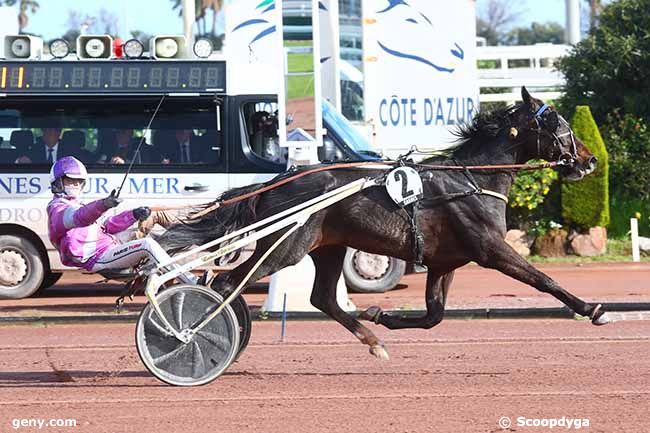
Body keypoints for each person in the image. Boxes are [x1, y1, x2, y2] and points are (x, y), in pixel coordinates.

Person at [46, 156, 195, 283]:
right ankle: (192, 281)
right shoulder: (58, 210)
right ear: (58, 182)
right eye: (70, 181)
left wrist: (134, 215)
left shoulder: (77, 204)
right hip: (99, 257)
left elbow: (108, 225)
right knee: (147, 244)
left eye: (79, 182)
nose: (76, 185)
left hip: (113, 243)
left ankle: (195, 236)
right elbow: (80, 217)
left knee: (153, 213)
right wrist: (103, 204)